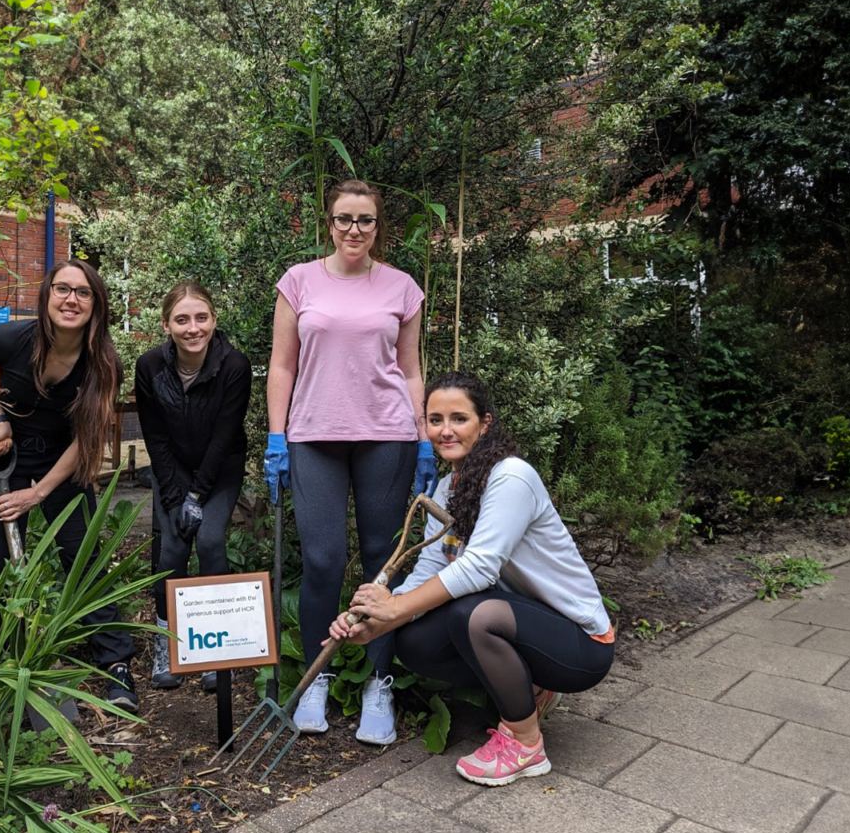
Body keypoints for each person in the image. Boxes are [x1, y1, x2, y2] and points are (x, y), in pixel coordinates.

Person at [329, 372, 616, 786]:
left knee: (472, 613)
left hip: (581, 645)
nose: (445, 431)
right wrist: (377, 624)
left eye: (459, 419)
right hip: (527, 625)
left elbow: (479, 567)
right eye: (435, 419)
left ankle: (525, 744)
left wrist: (394, 606)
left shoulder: (511, 477)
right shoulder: (448, 489)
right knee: (414, 641)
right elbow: (431, 568)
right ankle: (528, 687)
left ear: (485, 423)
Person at [265, 179, 439, 745]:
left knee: (379, 562)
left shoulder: (402, 287)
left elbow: (410, 370)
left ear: (377, 226)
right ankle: (317, 678)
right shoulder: (298, 282)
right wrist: (275, 436)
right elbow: (282, 367)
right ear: (329, 222)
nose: (355, 229)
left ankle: (378, 684)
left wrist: (422, 438)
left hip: (386, 435)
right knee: (321, 559)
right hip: (313, 434)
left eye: (365, 220)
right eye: (345, 218)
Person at [0, 258, 137, 711]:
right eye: (62, 289)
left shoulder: (103, 364)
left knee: (83, 558)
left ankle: (116, 663)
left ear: (96, 304)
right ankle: (16, 662)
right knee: (0, 561)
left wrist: (38, 494)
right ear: (47, 296)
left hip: (63, 459)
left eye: (83, 292)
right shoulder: (12, 338)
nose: (71, 299)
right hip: (6, 456)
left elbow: (87, 440)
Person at [134, 281, 253, 691]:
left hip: (219, 470)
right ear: (167, 325)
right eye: (182, 319)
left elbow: (224, 436)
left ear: (214, 321)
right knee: (172, 548)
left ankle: (212, 651)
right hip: (174, 469)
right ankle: (167, 646)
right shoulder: (149, 366)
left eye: (201, 318)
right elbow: (155, 437)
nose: (193, 328)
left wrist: (198, 497)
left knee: (210, 542)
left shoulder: (234, 365)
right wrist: (173, 495)